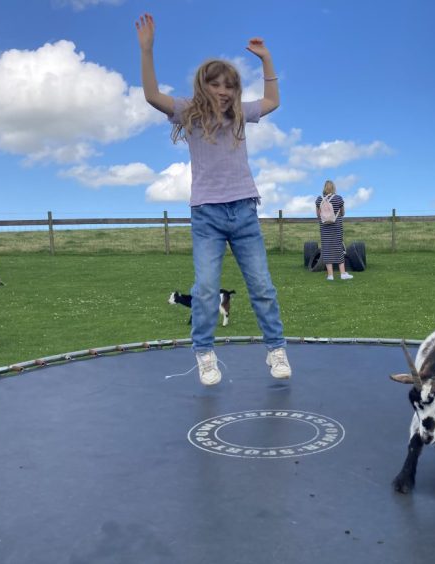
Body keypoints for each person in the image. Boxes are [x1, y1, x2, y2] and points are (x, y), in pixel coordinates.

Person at [136, 13, 291, 386]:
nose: (224, 91)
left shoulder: (240, 114)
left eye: (230, 86)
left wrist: (266, 59)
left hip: (244, 212)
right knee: (205, 289)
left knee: (262, 287)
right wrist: (147, 51)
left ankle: (276, 349)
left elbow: (272, 100)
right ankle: (205, 354)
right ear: (203, 87)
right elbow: (152, 96)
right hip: (207, 215)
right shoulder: (188, 113)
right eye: (216, 85)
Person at [315, 180, 352, 281]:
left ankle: (330, 275)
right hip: (336, 227)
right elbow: (343, 213)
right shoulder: (339, 199)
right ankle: (343, 273)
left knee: (326, 249)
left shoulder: (319, 199)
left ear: (324, 188)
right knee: (338, 248)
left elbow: (318, 215)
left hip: (324, 228)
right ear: (333, 188)